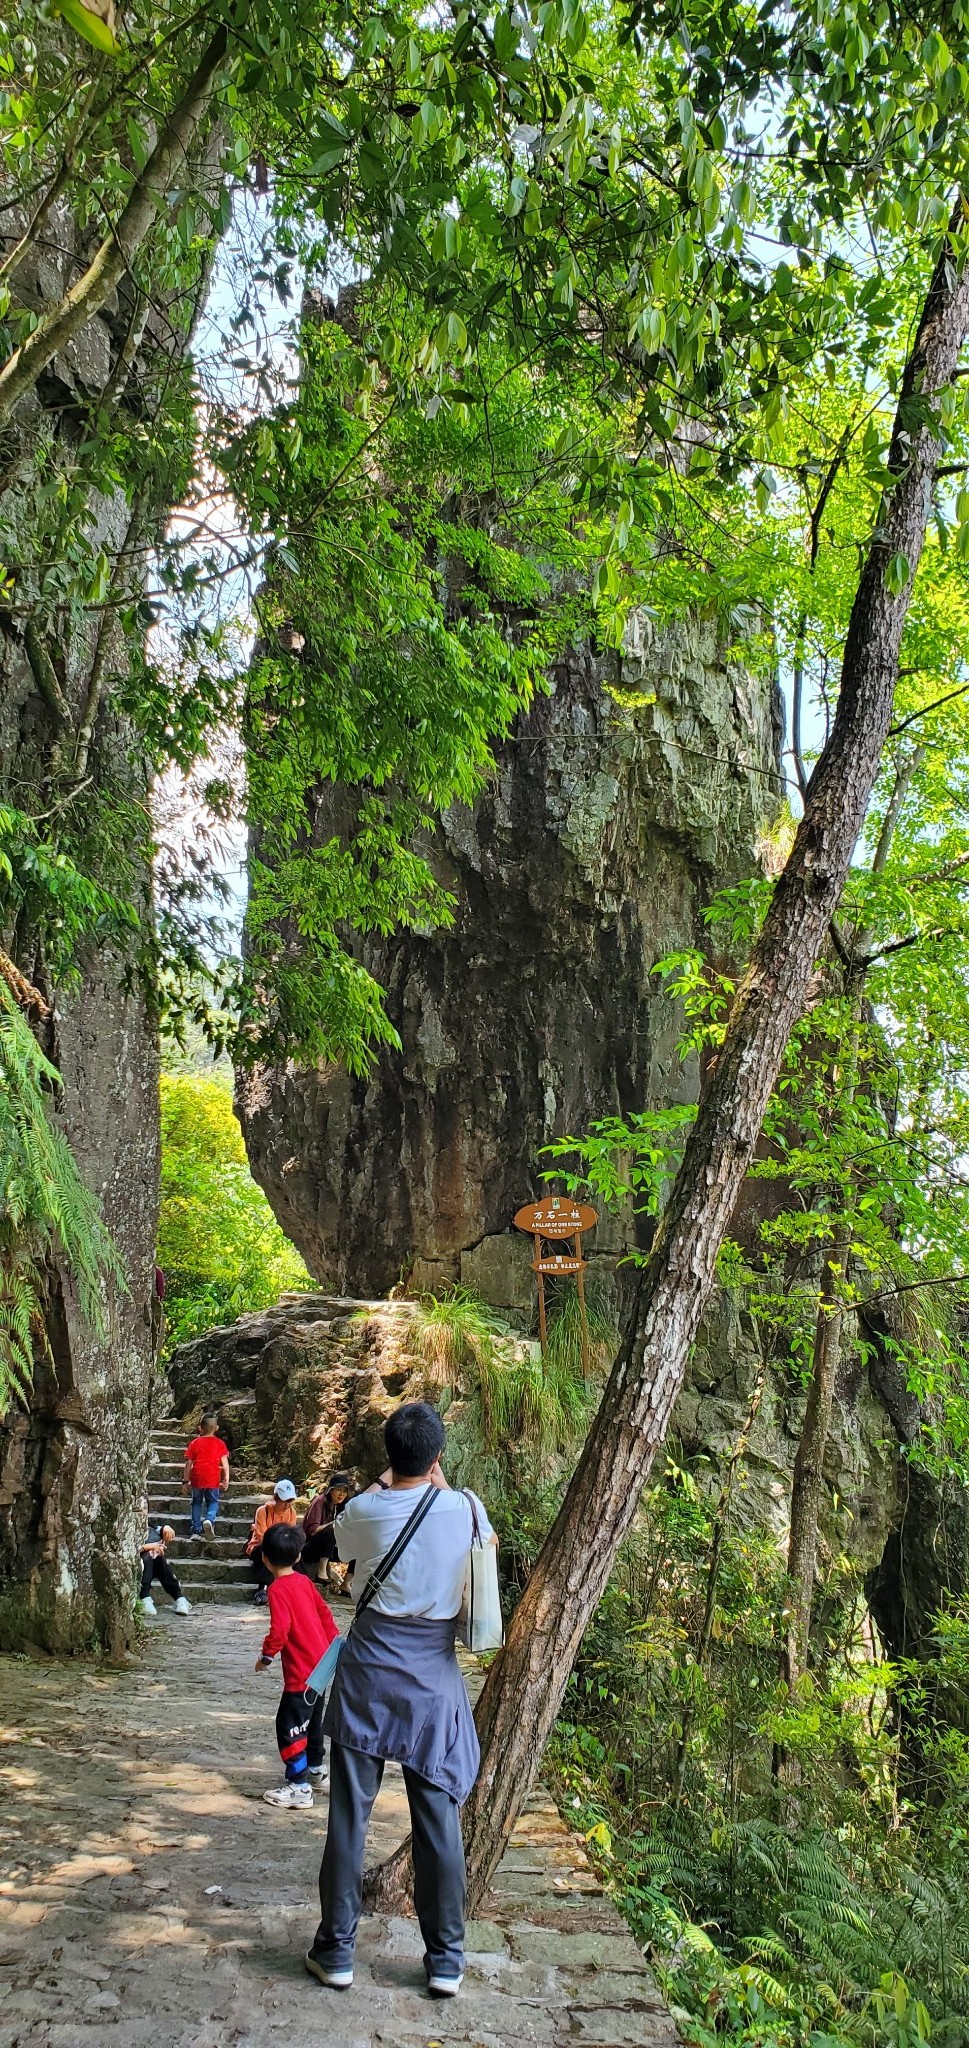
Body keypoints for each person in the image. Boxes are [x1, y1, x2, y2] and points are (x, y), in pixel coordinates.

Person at [304, 1401, 496, 2000]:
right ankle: (445, 1960)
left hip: (367, 1671)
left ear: (389, 1457)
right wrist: (439, 1484)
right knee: (437, 1819)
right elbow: (481, 1551)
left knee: (348, 1814)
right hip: (431, 1677)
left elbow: (324, 1546)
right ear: (438, 1455)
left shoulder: (364, 1508)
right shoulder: (463, 1508)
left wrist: (383, 1482)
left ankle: (336, 1950)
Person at [255, 1522, 339, 1809]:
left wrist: (266, 1656)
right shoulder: (304, 1581)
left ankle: (299, 1785)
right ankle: (316, 1769)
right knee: (314, 1721)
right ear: (299, 1556)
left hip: (300, 1674)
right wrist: (333, 1646)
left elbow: (281, 1629)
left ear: (265, 1557)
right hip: (321, 1667)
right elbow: (325, 1615)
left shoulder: (277, 1589)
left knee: (290, 1725)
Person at [247, 1479, 299, 1605]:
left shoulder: (292, 1513)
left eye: (289, 1501)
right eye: (284, 1501)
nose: (287, 1505)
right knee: (272, 1555)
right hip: (259, 1547)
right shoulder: (263, 1511)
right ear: (276, 1498)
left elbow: (290, 1535)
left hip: (281, 1548)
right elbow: (261, 1537)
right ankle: (262, 1589)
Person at [300, 1472, 352, 1588]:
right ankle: (321, 1571)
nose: (341, 1494)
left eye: (344, 1491)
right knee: (332, 1529)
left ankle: (347, 1583)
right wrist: (334, 1524)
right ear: (330, 1490)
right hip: (310, 1547)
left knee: (359, 1546)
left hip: (330, 1547)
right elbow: (312, 1530)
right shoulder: (320, 1501)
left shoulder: (339, 1506)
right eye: (338, 1490)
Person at [182, 1412, 230, 1540]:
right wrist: (226, 1477)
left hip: (197, 1477)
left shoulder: (195, 1443)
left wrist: (185, 1481)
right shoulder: (220, 1444)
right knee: (213, 1502)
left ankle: (196, 1531)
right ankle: (209, 1519)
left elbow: (188, 1463)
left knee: (196, 1503)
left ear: (200, 1428)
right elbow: (225, 1463)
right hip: (213, 1477)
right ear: (217, 1428)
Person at [138, 1524, 191, 1616]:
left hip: (151, 1563)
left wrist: (165, 1528)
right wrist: (145, 1547)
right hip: (136, 1562)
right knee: (149, 1555)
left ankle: (179, 1598)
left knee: (158, 1558)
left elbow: (155, 1528)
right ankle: (144, 1597)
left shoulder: (145, 1522)